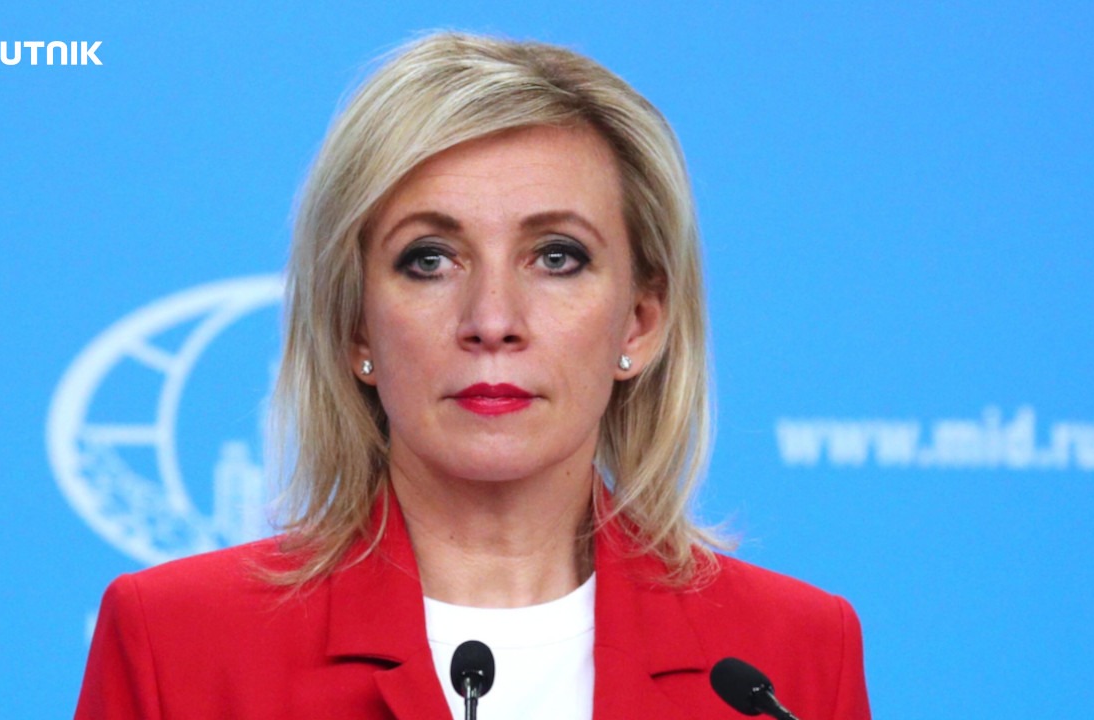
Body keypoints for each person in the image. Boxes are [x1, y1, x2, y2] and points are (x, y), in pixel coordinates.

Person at [75, 31, 871, 720]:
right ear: (356, 326)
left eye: (557, 257)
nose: (492, 319)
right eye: (430, 259)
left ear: (640, 321)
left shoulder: (791, 654)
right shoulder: (176, 643)